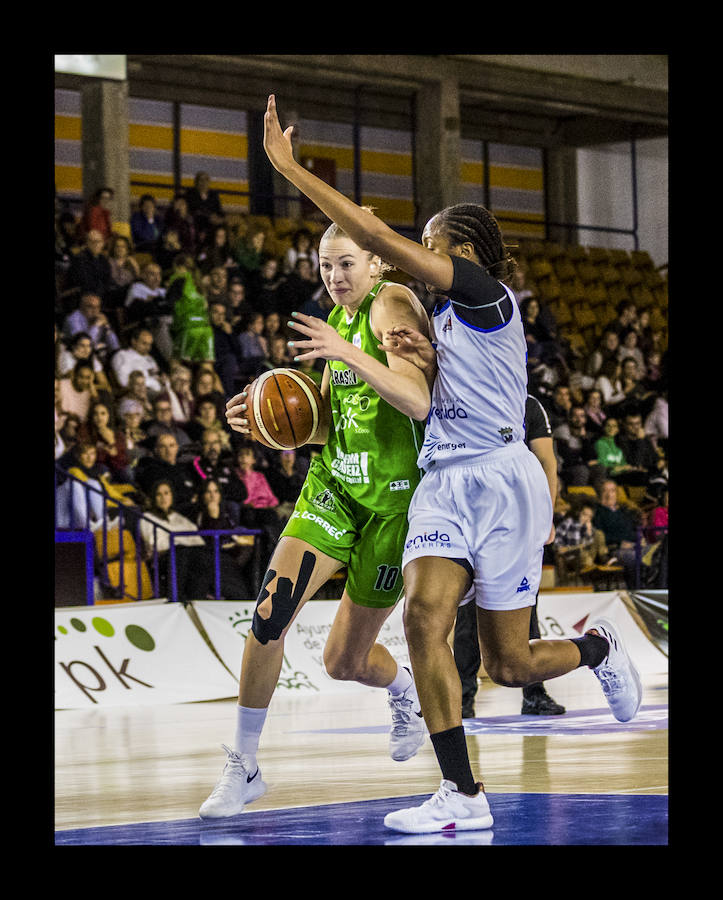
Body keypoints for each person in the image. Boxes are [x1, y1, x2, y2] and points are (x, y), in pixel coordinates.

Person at [252, 95, 643, 834]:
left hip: (502, 482)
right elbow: (426, 401)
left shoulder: (488, 298)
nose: (419, 251)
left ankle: (595, 649)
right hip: (443, 482)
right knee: (423, 620)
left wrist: (288, 169)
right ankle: (461, 792)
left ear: (458, 253)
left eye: (431, 241)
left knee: (510, 666)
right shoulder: (438, 324)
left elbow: (368, 232)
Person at [199, 196, 433, 820]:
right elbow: (329, 424)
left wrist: (345, 352)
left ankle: (403, 689)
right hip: (334, 488)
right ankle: (243, 763)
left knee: (343, 662)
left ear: (378, 263)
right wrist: (270, 423)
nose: (333, 277)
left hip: (393, 506)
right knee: (270, 614)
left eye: (345, 263)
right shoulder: (337, 316)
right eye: (324, 265)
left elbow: (416, 401)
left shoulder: (391, 305)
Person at [454, 393, 566, 717]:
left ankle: (534, 693)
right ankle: (462, 698)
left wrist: (546, 515)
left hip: (518, 519)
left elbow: (547, 460)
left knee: (524, 609)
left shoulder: (527, 403)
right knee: (466, 614)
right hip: (473, 516)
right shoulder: (465, 392)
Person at [139, 479, 215, 601]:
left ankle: (199, 600)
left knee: (203, 556)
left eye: (166, 493)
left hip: (188, 556)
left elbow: (198, 541)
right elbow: (158, 545)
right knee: (181, 552)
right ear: (154, 497)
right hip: (163, 560)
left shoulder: (179, 518)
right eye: (159, 494)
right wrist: (182, 541)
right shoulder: (147, 518)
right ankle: (176, 599)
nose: (163, 498)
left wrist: (176, 540)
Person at [193, 478, 252, 600]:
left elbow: (232, 534)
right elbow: (211, 541)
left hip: (232, 557)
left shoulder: (226, 513)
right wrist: (213, 516)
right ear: (203, 495)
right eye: (208, 492)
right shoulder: (199, 515)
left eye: (216, 491)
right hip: (215, 559)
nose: (212, 495)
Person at [592, 479, 641, 588]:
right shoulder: (597, 513)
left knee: (657, 553)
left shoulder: (625, 511)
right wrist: (620, 543)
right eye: (605, 491)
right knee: (635, 557)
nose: (609, 495)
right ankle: (636, 591)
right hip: (613, 550)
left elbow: (632, 532)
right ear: (600, 494)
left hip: (633, 546)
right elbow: (599, 536)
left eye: (612, 491)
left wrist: (638, 540)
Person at [134, 432, 197, 514]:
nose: (168, 450)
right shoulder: (152, 471)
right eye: (163, 447)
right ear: (156, 450)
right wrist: (190, 500)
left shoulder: (186, 468)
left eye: (171, 446)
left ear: (177, 448)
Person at [553, 498, 611, 585]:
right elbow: (557, 539)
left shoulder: (588, 527)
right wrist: (561, 548)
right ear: (579, 513)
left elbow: (589, 543)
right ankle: (590, 567)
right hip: (570, 554)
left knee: (599, 533)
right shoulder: (569, 523)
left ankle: (604, 559)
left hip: (585, 553)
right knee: (582, 553)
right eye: (584, 514)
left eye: (589, 516)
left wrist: (589, 532)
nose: (586, 518)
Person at [553, 405, 605, 490]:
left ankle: (600, 497)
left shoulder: (583, 433)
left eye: (581, 416)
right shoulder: (562, 431)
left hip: (578, 465)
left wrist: (584, 438)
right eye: (575, 416)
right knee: (582, 471)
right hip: (561, 468)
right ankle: (578, 497)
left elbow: (591, 457)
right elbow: (566, 458)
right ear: (569, 418)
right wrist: (585, 463)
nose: (579, 419)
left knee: (599, 468)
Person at [62, 292, 121, 366]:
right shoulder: (73, 319)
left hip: (95, 354)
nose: (95, 311)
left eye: (97, 307)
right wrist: (96, 326)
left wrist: (107, 326)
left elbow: (115, 346)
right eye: (90, 307)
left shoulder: (99, 318)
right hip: (75, 357)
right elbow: (83, 343)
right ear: (81, 307)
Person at [110, 326, 165, 396]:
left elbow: (156, 375)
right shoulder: (122, 356)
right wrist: (150, 382)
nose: (148, 348)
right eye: (144, 343)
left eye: (150, 344)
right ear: (134, 341)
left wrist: (161, 379)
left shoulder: (149, 358)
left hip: (159, 391)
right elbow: (123, 382)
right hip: (141, 393)